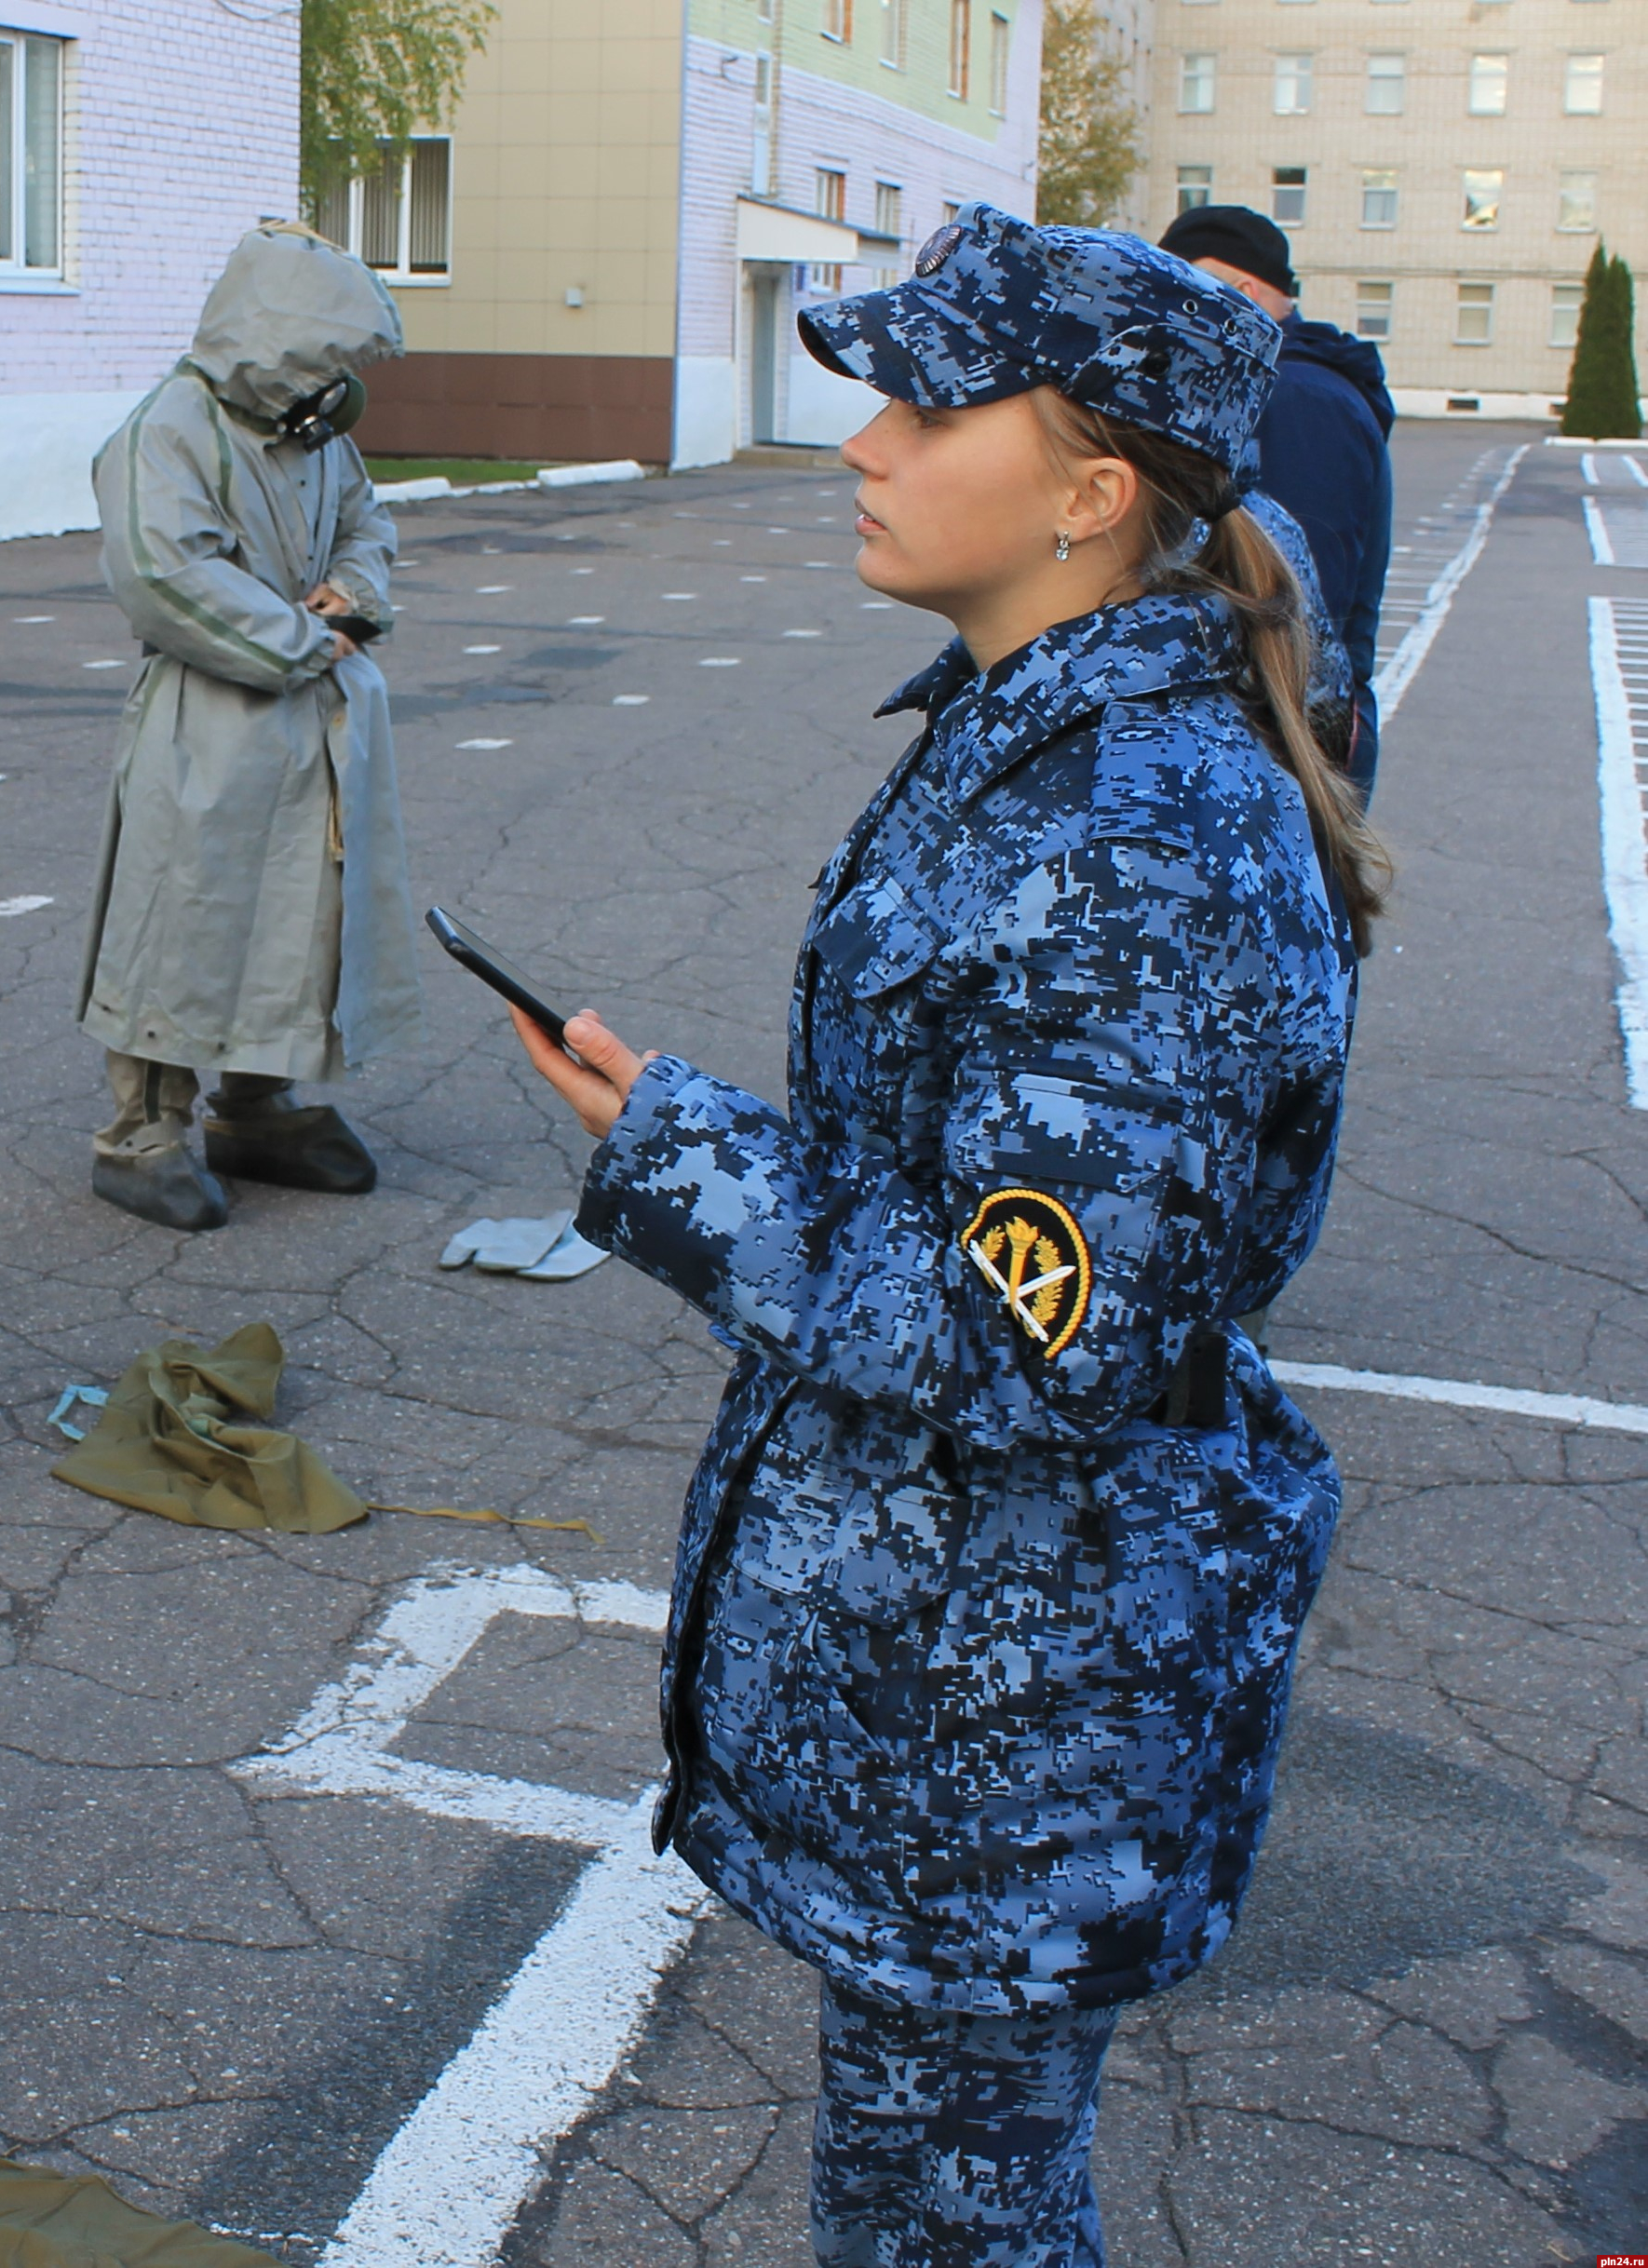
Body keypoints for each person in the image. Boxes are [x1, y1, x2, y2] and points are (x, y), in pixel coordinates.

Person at [507, 207, 1380, 2265]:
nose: (860, 445)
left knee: (950, 2220)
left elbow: (1023, 1345)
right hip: (956, 1661)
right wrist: (694, 1133)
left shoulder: (1134, 830)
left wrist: (689, 1165)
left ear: (1088, 494)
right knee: (915, 2193)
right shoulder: (1029, 734)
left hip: (1015, 1691)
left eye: (921, 403)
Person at [75, 223, 422, 1232]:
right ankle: (140, 1136)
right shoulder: (167, 433)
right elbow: (161, 576)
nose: (341, 383)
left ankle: (257, 1104)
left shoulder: (314, 433)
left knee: (300, 922)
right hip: (209, 722)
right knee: (179, 921)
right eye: (327, 359)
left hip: (312, 715)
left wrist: (352, 594)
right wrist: (302, 640)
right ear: (275, 346)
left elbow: (366, 522)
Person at [1160, 203, 1397, 799]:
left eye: (1183, 287)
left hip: (1286, 743)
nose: (1167, 310)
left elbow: (1296, 606)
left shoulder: (1295, 398)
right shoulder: (1273, 385)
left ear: (1241, 289)